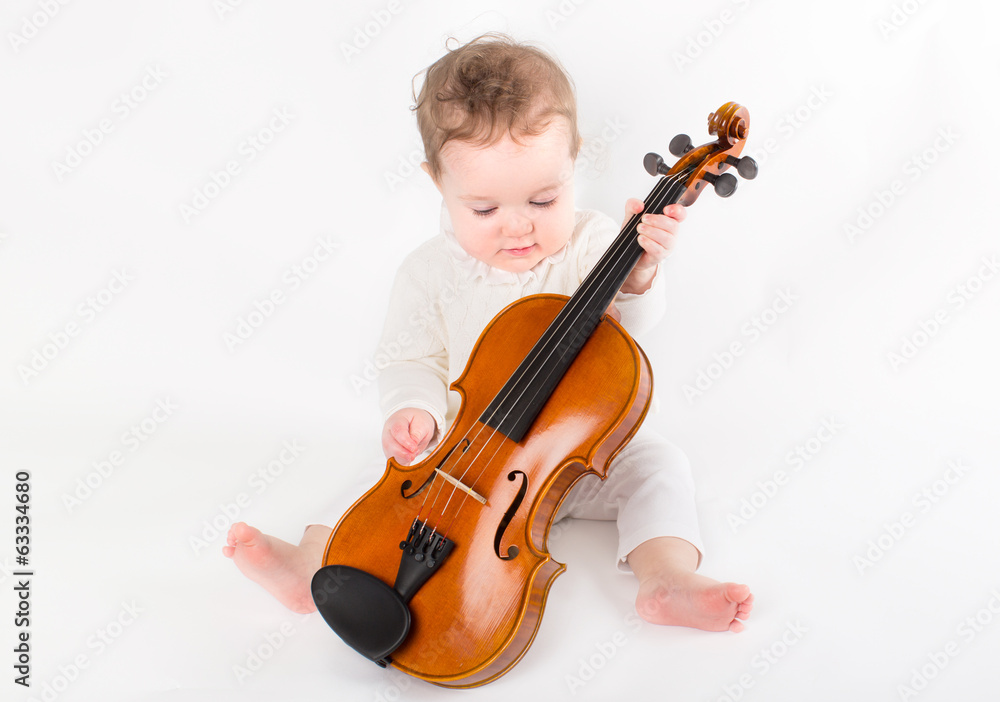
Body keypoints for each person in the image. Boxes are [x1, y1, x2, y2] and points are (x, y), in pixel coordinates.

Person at [225, 33, 752, 634]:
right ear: (437, 183)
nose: (518, 226)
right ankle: (310, 562)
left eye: (544, 199)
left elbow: (622, 341)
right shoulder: (429, 271)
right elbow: (409, 358)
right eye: (484, 210)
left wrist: (637, 275)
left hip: (576, 455)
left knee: (660, 465)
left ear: (573, 161)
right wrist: (413, 409)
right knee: (378, 482)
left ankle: (665, 578)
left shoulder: (595, 243)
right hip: (464, 459)